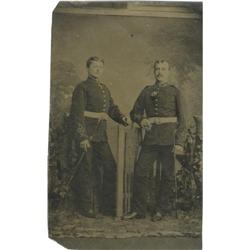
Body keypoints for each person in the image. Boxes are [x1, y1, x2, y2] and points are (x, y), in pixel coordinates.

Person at [124, 59, 185, 221]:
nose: (160, 72)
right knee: (140, 172)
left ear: (169, 71)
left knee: (167, 175)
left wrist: (179, 142)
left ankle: (161, 210)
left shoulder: (175, 92)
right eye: (157, 69)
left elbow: (183, 120)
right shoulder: (146, 91)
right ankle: (139, 210)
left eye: (163, 69)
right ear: (154, 71)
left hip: (168, 140)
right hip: (150, 139)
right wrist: (141, 120)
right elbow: (134, 112)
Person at [68, 56, 128, 218]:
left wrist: (122, 118)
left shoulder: (104, 88)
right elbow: (76, 114)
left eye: (100, 67)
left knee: (110, 168)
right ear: (88, 68)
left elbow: (111, 108)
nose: (98, 69)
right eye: (94, 66)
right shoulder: (82, 88)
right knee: (86, 171)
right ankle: (85, 207)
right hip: (87, 136)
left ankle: (107, 207)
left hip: (101, 136)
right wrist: (82, 137)